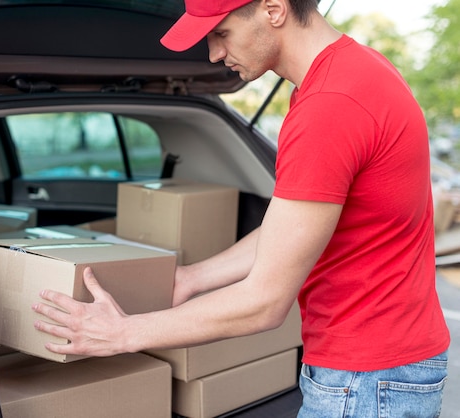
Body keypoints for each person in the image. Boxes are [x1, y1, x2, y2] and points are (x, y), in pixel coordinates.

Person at [32, 0, 450, 415]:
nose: (213, 53)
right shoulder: (355, 70)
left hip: (365, 379)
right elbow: (289, 231)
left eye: (221, 32)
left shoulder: (330, 105)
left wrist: (122, 334)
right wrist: (191, 279)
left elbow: (264, 303)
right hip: (387, 364)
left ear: (273, 9)